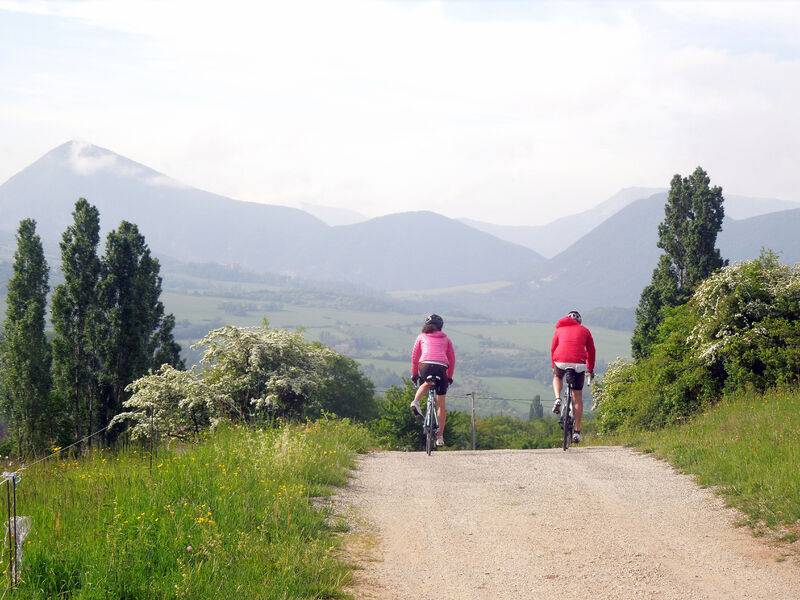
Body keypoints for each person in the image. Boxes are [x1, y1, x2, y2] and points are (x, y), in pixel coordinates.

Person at [410, 314, 455, 447]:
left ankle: (416, 401)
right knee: (441, 404)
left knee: (426, 383)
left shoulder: (421, 337)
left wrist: (414, 374)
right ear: (440, 327)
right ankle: (439, 437)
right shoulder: (446, 339)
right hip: (441, 368)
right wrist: (449, 377)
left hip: (425, 366)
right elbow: (452, 360)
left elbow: (415, 357)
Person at [551, 310, 595, 444]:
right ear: (579, 322)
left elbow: (553, 348)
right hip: (579, 364)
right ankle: (576, 432)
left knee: (557, 376)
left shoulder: (559, 330)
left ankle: (558, 399)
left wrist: (553, 365)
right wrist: (590, 369)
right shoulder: (585, 330)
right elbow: (591, 351)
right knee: (577, 397)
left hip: (561, 361)